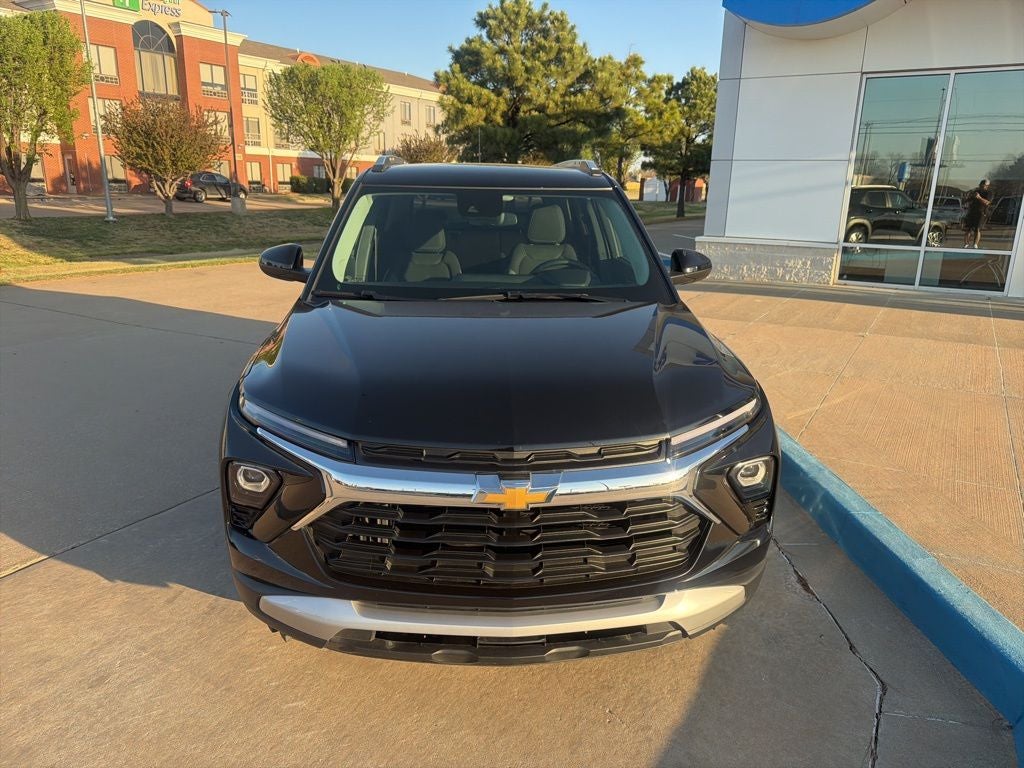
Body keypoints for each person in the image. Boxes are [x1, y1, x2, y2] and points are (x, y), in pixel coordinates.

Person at [962, 179, 992, 248]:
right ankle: (966, 244)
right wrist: (966, 199)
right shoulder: (976, 191)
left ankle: (975, 244)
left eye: (983, 185)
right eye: (981, 185)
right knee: (968, 229)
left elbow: (987, 202)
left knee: (977, 229)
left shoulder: (989, 193)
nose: (981, 187)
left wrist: (979, 197)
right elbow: (968, 200)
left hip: (981, 212)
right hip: (972, 212)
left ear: (987, 186)